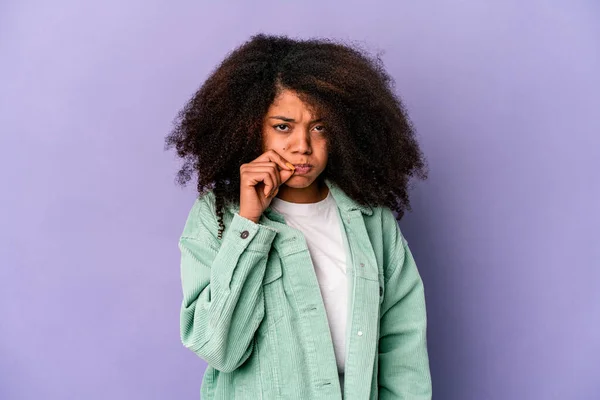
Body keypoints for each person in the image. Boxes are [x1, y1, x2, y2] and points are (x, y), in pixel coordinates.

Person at [165, 33, 432, 399]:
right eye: (283, 126)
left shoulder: (372, 221)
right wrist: (248, 225)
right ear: (251, 127)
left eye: (319, 127)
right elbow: (217, 348)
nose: (302, 146)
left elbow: (403, 351)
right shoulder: (217, 217)